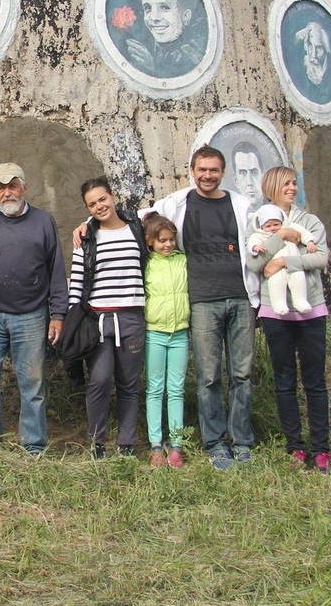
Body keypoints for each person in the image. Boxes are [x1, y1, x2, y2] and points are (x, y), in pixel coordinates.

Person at [132, 144, 259, 470]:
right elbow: (140, 217)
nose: (207, 175)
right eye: (202, 170)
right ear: (192, 170)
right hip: (201, 302)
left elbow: (262, 236)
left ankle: (241, 440)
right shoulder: (178, 202)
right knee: (207, 377)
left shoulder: (240, 205)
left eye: (214, 170)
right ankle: (215, 442)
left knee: (242, 374)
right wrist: (87, 224)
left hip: (241, 299)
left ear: (222, 172)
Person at [0, 163, 68, 455]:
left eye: (12, 185)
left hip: (32, 315)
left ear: (25, 188)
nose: (6, 192)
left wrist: (57, 314)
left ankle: (34, 446)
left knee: (32, 384)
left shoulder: (44, 221)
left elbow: (56, 271)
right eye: (0, 187)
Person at [247, 166, 331, 474]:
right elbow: (255, 263)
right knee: (284, 382)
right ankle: (295, 446)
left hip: (311, 310)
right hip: (275, 312)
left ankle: (321, 449)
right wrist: (280, 237)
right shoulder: (257, 224)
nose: (293, 188)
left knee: (314, 381)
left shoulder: (309, 221)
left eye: (295, 183)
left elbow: (320, 258)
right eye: (286, 184)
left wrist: (284, 260)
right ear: (272, 187)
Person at [68, 177, 148, 460]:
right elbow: (77, 282)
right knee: (100, 380)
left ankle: (126, 444)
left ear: (113, 196)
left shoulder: (137, 228)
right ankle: (96, 442)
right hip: (98, 321)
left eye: (102, 199)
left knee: (128, 384)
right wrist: (73, 318)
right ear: (87, 209)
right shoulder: (86, 238)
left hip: (131, 317)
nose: (99, 206)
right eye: (92, 204)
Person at [141, 213, 189, 469]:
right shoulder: (147, 263)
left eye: (171, 240)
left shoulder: (183, 261)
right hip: (155, 333)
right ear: (150, 242)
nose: (168, 245)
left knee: (177, 390)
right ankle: (156, 445)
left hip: (180, 332)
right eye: (162, 241)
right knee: (155, 389)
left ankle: (177, 444)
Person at [116, 0, 207, 78]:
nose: (154, 18)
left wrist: (152, 68)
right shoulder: (147, 44)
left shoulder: (191, 54)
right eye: (148, 8)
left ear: (186, 16)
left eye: (165, 7)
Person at [247, 203, 316, 315]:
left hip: (293, 264)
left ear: (281, 222)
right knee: (276, 283)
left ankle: (301, 301)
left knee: (298, 280)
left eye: (276, 224)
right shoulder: (260, 235)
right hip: (274, 270)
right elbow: (252, 241)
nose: (273, 228)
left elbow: (303, 232)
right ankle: (279, 304)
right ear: (262, 226)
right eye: (268, 226)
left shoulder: (290, 228)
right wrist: (255, 247)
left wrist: (310, 241)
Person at [230, 142, 265, 217]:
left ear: (263, 175)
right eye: (243, 173)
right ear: (235, 179)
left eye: (254, 172)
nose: (249, 182)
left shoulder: (274, 210)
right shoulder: (231, 215)